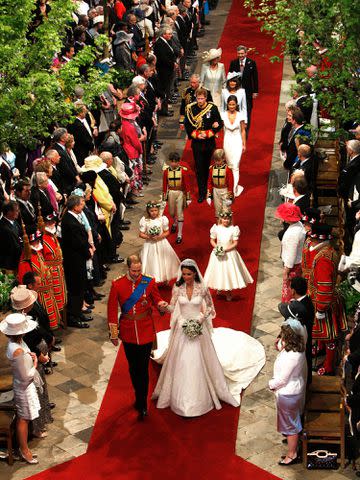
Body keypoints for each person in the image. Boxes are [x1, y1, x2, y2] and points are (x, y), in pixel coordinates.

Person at [152, 259, 265, 416]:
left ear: (195, 273)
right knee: (182, 361)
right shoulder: (178, 288)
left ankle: (202, 397)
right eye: (183, 274)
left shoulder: (202, 288)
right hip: (182, 327)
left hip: (198, 327)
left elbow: (210, 307)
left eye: (189, 274)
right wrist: (163, 306)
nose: (186, 277)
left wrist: (200, 319)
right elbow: (172, 307)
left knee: (199, 359)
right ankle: (181, 400)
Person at [107, 254, 168, 420]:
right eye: (134, 271)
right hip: (127, 333)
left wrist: (162, 305)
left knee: (143, 369)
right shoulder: (117, 284)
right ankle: (138, 396)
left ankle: (142, 403)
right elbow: (112, 310)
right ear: (128, 268)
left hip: (146, 330)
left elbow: (157, 300)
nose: (136, 274)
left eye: (139, 270)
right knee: (134, 369)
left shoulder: (148, 282)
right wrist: (113, 334)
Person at [0, 313, 41, 464]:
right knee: (23, 419)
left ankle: (25, 446)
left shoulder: (19, 343)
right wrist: (35, 361)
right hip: (23, 386)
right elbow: (26, 375)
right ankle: (24, 450)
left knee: (26, 416)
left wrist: (29, 356)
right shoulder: (16, 350)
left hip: (25, 386)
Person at [308, 223, 347, 375]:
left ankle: (329, 365)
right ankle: (321, 348)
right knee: (323, 333)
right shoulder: (327, 251)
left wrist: (320, 308)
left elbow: (324, 286)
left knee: (329, 335)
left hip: (324, 302)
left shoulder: (324, 258)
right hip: (324, 298)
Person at [269, 321, 307, 466]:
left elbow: (283, 379)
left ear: (288, 338)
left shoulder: (292, 356)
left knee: (291, 426)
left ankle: (292, 454)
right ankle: (293, 444)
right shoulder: (298, 347)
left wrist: (271, 384)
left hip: (288, 393)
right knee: (292, 421)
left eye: (283, 335)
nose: (281, 337)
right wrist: (279, 344)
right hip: (292, 391)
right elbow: (283, 349)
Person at [184, 87, 223, 203]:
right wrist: (196, 135)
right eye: (198, 98)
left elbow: (219, 123)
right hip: (197, 143)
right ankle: (202, 192)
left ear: (206, 98)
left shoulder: (213, 108)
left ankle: (209, 189)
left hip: (209, 142)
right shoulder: (191, 109)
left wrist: (213, 129)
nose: (200, 101)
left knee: (207, 167)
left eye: (202, 98)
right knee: (199, 168)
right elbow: (188, 124)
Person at [204, 210, 253, 301]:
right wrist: (217, 248)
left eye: (227, 219)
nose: (226, 221)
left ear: (230, 219)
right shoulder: (216, 228)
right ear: (220, 219)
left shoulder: (233, 229)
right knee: (218, 271)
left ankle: (228, 292)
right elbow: (212, 240)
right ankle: (219, 286)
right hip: (218, 253)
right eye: (224, 219)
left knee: (228, 272)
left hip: (229, 253)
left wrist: (226, 249)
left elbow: (235, 243)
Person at [18, 226, 61, 330]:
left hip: (46, 290)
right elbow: (24, 282)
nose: (38, 243)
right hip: (37, 294)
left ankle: (50, 333)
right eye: (35, 242)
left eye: (38, 241)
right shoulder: (25, 260)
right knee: (41, 317)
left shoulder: (38, 253)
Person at [60, 195, 92, 329]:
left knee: (80, 286)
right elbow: (78, 242)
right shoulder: (70, 221)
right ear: (75, 206)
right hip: (74, 260)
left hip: (78, 258)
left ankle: (78, 312)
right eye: (81, 203)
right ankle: (73, 316)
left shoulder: (72, 217)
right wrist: (88, 251)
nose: (83, 205)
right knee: (76, 288)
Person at [139, 201, 180, 283]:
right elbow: (141, 234)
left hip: (161, 242)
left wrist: (160, 236)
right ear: (148, 211)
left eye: (155, 210)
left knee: (163, 260)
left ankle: (165, 277)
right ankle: (153, 277)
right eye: (151, 211)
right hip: (150, 244)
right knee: (152, 261)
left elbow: (167, 232)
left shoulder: (162, 219)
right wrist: (148, 236)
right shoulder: (145, 220)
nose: (154, 212)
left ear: (158, 210)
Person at [275, 203, 306, 302]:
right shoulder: (299, 225)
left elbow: (291, 254)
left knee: (290, 291)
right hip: (297, 264)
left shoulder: (293, 234)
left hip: (293, 267)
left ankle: (289, 309)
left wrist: (286, 271)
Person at [162, 151, 191, 244]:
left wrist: (188, 198)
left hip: (180, 193)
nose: (174, 163)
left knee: (180, 213)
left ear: (179, 162)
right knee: (171, 212)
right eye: (172, 161)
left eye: (176, 161)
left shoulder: (183, 171)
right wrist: (163, 198)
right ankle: (174, 222)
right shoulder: (166, 171)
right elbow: (164, 185)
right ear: (170, 161)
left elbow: (187, 185)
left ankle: (179, 234)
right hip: (170, 192)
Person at [228, 45, 258, 133]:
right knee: (236, 110)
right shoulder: (233, 63)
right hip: (236, 92)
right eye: (239, 53)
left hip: (247, 93)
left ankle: (245, 132)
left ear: (246, 53)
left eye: (242, 53)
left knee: (247, 112)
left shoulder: (251, 63)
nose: (240, 55)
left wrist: (255, 91)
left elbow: (255, 78)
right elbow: (230, 77)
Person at [221, 95, 247, 196]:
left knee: (235, 166)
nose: (232, 106)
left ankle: (234, 189)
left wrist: (244, 144)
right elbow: (219, 128)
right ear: (227, 104)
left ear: (236, 105)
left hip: (237, 141)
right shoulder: (222, 115)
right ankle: (229, 184)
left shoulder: (241, 115)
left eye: (233, 104)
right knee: (230, 166)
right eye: (230, 104)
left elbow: (243, 131)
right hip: (227, 142)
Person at [206, 149, 234, 218]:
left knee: (226, 210)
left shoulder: (228, 169)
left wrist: (230, 197)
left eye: (219, 160)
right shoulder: (212, 168)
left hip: (225, 190)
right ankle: (219, 225)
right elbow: (209, 182)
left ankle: (226, 226)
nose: (217, 162)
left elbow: (231, 183)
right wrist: (209, 195)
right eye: (215, 160)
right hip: (215, 191)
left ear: (223, 159)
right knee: (217, 210)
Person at [0, 200, 22, 274]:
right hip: (9, 265)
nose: (18, 212)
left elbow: (21, 235)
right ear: (9, 212)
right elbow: (15, 247)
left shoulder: (14, 222)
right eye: (16, 210)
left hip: (16, 261)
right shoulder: (4, 228)